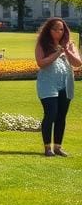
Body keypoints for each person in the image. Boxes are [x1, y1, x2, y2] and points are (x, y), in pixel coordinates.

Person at [35, 18, 82, 156]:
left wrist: (67, 51)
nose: (58, 32)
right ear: (48, 30)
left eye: (61, 29)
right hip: (48, 84)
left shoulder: (69, 44)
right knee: (51, 114)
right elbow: (41, 63)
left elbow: (78, 63)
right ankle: (47, 147)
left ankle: (58, 146)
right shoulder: (42, 44)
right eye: (55, 29)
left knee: (61, 116)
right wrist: (57, 53)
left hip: (66, 83)